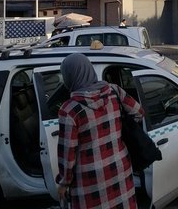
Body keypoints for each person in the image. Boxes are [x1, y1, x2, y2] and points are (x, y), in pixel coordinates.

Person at [56, 53, 144, 209]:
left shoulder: (69, 109)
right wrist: (118, 131)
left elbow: (67, 156)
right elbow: (139, 112)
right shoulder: (114, 91)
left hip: (89, 179)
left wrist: (64, 183)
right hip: (120, 167)